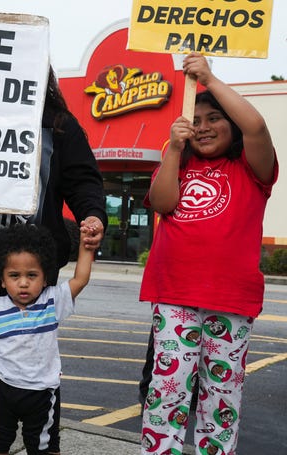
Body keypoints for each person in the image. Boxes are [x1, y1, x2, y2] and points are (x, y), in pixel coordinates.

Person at [0, 5, 107, 455]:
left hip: (29, 261)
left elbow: (84, 179)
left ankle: (43, 438)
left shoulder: (59, 125)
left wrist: (92, 216)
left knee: (34, 350)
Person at [138, 52, 277, 455]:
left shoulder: (253, 169)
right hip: (175, 293)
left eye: (214, 118)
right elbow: (163, 203)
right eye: (195, 121)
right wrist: (173, 151)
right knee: (167, 393)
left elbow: (257, 125)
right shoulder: (180, 163)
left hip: (230, 298)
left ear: (231, 127)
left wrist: (209, 79)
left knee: (221, 399)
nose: (203, 128)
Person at [0, 223, 94, 455]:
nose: (23, 283)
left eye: (32, 275)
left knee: (45, 446)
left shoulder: (52, 303)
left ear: (45, 277)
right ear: (3, 280)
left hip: (43, 392)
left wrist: (87, 247)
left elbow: (81, 279)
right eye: (14, 276)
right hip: (4, 391)